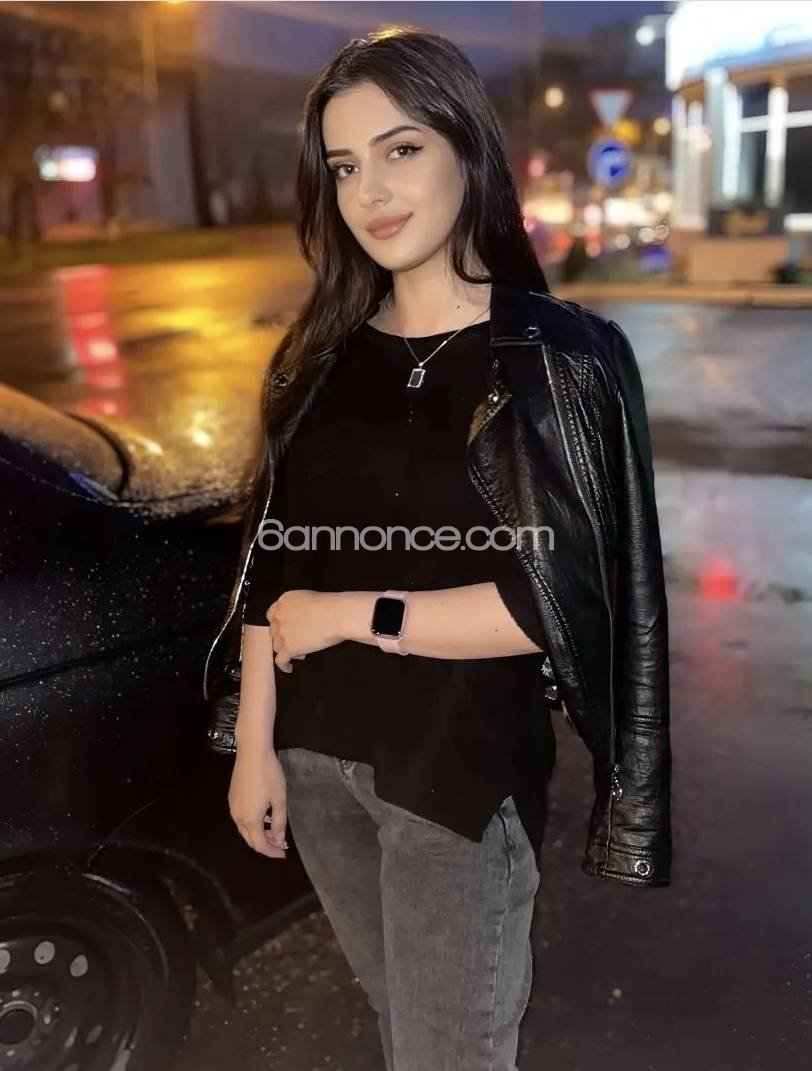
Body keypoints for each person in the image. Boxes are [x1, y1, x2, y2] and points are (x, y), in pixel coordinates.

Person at [210, 26, 671, 1071]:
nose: (369, 190)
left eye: (402, 149)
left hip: (452, 781)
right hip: (317, 770)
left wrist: (352, 614)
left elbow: (553, 603)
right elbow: (272, 566)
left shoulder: (558, 357)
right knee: (407, 1031)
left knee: (446, 1053)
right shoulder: (317, 357)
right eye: (343, 166)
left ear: (468, 147)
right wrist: (255, 746)